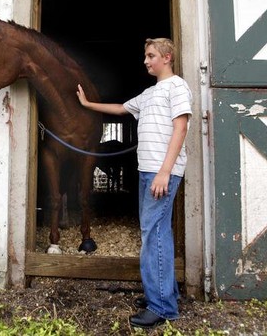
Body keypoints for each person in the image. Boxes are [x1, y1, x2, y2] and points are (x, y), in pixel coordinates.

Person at [76, 38, 192, 328]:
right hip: (146, 171)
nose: (145, 61)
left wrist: (165, 171)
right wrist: (87, 104)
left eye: (151, 55)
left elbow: (181, 127)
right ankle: (163, 294)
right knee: (154, 233)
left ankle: (162, 307)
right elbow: (120, 109)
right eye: (145, 56)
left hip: (160, 172)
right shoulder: (150, 92)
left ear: (166, 57)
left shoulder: (177, 86)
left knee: (154, 235)